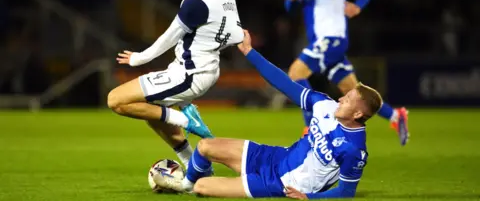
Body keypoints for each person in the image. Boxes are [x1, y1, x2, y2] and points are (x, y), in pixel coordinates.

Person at [153, 30, 381, 199]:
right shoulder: (325, 105)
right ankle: (184, 185)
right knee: (204, 147)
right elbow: (284, 83)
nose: (341, 99)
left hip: (281, 182)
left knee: (203, 187)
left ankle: (192, 183)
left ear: (359, 113)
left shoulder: (354, 150)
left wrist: (307, 197)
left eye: (348, 99)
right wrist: (249, 52)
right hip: (274, 157)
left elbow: (345, 193)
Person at [107, 0, 244, 168]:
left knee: (116, 100)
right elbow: (235, 32)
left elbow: (168, 38)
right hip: (204, 69)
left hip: (190, 74)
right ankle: (194, 166)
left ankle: (185, 119)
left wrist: (138, 58)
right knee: (153, 112)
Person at [284, 0, 408, 145]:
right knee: (352, 91)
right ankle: (396, 116)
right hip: (317, 40)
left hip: (333, 37)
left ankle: (311, 126)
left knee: (296, 73)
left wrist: (357, 6)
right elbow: (290, 9)